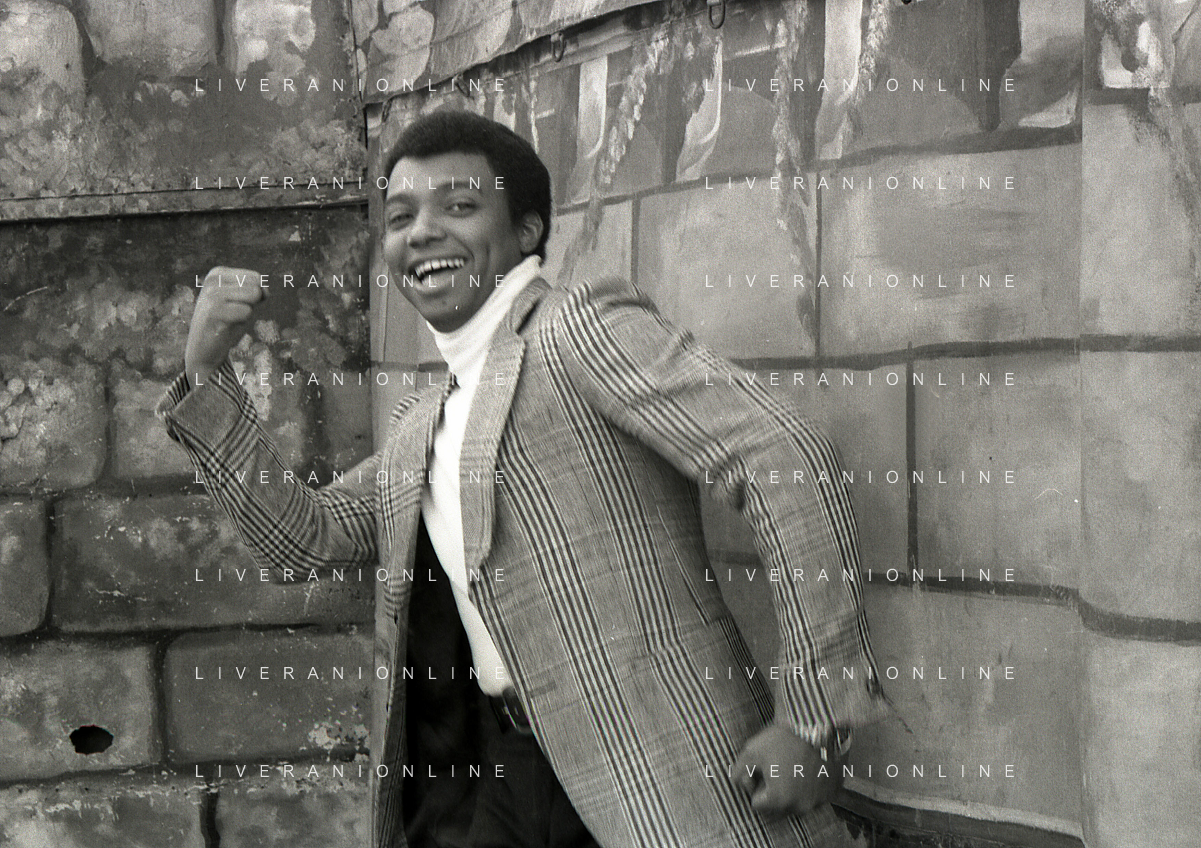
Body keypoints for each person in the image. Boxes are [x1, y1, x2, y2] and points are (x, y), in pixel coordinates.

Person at [158, 109, 889, 848]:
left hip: (655, 776)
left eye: (459, 206)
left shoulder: (577, 330)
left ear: (527, 230)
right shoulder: (423, 420)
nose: (422, 232)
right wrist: (206, 372)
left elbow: (787, 458)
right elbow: (304, 540)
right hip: (501, 773)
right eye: (401, 217)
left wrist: (812, 717)